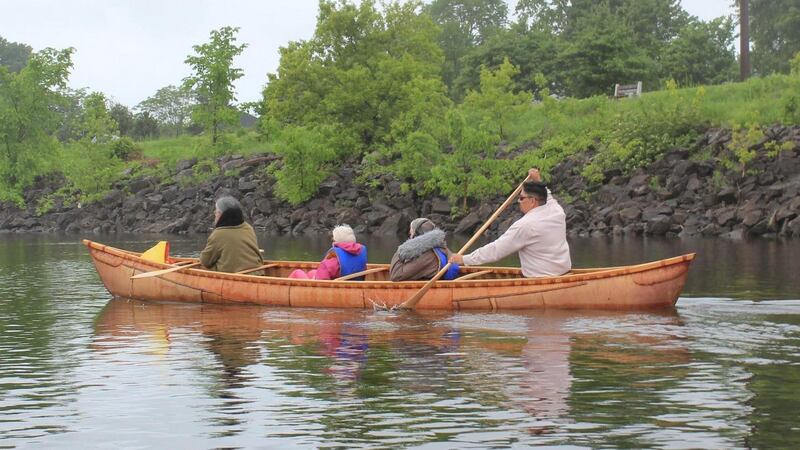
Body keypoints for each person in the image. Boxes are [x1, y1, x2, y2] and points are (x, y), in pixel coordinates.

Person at [450, 169, 571, 277]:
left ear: (533, 201)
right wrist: (537, 180)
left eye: (522, 198)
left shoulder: (525, 225)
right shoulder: (557, 211)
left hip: (540, 278)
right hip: (563, 273)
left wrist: (464, 259)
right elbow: (547, 196)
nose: (519, 201)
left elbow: (496, 250)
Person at [200, 196, 263, 273]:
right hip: (258, 272)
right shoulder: (248, 228)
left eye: (216, 211)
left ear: (221, 215)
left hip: (235, 277)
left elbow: (205, 261)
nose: (215, 213)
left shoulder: (218, 234)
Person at [389, 218, 460, 281]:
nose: (410, 237)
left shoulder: (427, 255)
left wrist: (402, 251)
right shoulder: (442, 249)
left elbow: (396, 275)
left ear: (417, 235)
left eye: (411, 233)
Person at [289, 224, 367, 280]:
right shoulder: (360, 253)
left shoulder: (331, 262)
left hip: (324, 288)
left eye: (333, 238)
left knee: (297, 272)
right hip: (351, 283)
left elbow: (321, 282)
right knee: (312, 272)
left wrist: (314, 279)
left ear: (336, 241)